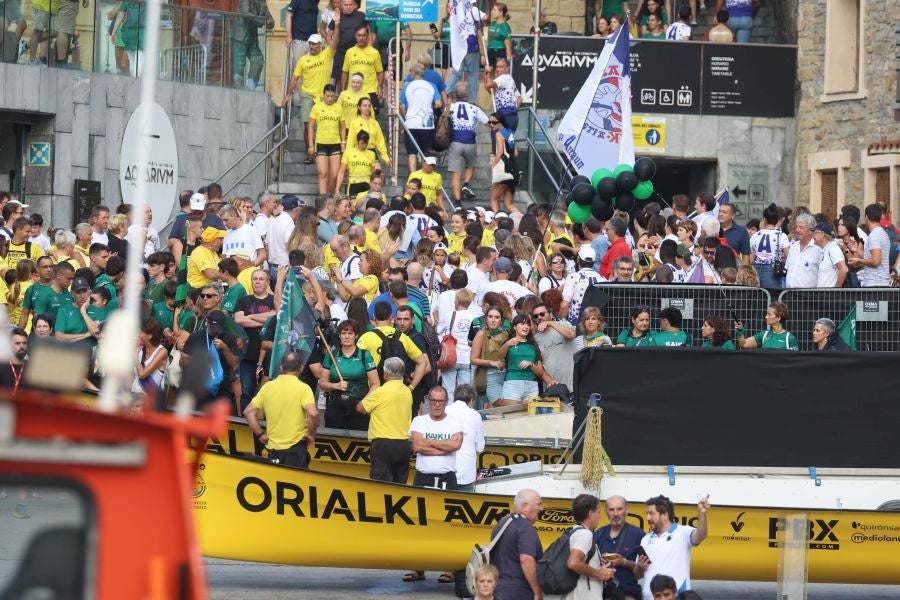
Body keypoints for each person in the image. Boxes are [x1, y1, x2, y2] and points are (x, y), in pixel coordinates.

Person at [244, 352, 319, 468]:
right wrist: (310, 433)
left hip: (273, 449)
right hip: (296, 448)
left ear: (281, 368)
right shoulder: (304, 388)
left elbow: (248, 412)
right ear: (301, 368)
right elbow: (313, 414)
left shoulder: (267, 387)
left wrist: (260, 434)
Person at [637, 495, 710, 600]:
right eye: (647, 513)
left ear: (665, 515)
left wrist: (702, 514)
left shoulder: (683, 532)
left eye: (651, 513)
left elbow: (701, 535)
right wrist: (640, 567)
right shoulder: (645, 539)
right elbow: (638, 574)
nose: (648, 518)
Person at [357, 356, 413, 482]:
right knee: (400, 485)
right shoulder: (407, 392)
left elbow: (360, 408)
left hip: (383, 444)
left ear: (386, 374)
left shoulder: (380, 392)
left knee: (381, 485)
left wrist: (372, 391)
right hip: (404, 444)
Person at [320, 319, 380, 429]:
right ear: (339, 336)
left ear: (356, 336)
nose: (347, 337)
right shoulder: (331, 355)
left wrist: (364, 403)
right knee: (334, 437)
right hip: (335, 407)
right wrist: (335, 385)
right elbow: (322, 383)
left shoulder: (364, 355)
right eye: (343, 333)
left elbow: (375, 384)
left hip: (359, 405)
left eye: (350, 333)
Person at [234, 269, 276, 412]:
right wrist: (267, 321)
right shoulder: (243, 300)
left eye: (261, 279)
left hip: (270, 356)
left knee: (267, 395)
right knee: (247, 392)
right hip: (248, 354)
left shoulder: (274, 300)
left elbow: (276, 315)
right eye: (255, 279)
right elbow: (239, 320)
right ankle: (246, 421)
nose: (257, 282)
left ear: (267, 282)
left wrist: (251, 316)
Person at [560, 494, 617, 600]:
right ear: (591, 514)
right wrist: (599, 573)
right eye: (598, 512)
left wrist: (597, 564)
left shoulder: (572, 531)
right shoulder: (585, 534)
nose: (600, 516)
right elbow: (573, 562)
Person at [490, 488, 544, 600]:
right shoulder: (526, 527)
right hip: (518, 593)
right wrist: (537, 591)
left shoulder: (502, 522)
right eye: (538, 504)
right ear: (525, 507)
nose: (541, 508)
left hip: (497, 590)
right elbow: (526, 559)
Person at [497, 314, 557, 405]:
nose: (526, 327)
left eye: (528, 324)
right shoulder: (508, 342)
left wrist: (531, 364)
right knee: (512, 413)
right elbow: (500, 357)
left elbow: (540, 372)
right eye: (522, 324)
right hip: (513, 384)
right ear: (514, 327)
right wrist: (507, 344)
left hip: (532, 385)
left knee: (530, 414)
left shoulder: (533, 345)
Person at [594, 495, 645, 600]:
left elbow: (644, 570)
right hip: (601, 595)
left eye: (619, 509)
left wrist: (624, 562)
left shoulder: (638, 534)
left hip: (628, 594)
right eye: (611, 510)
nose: (615, 513)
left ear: (627, 510)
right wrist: (599, 563)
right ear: (606, 512)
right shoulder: (598, 534)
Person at [447, 85, 489, 206]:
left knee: (456, 174)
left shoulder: (450, 107)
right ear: (467, 95)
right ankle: (466, 184)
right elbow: (488, 123)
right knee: (470, 166)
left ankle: (457, 203)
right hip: (470, 142)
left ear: (455, 95)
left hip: (455, 142)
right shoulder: (474, 108)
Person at [400, 64, 442, 175]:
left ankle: (413, 176)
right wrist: (430, 109)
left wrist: (406, 117)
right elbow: (439, 103)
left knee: (412, 152)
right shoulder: (431, 86)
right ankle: (423, 175)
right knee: (424, 152)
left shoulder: (407, 86)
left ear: (413, 73)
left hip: (411, 123)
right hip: (427, 125)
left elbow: (402, 106)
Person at [437, 288, 478, 402]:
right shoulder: (475, 318)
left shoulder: (449, 316)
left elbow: (438, 333)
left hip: (451, 357)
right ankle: (463, 410)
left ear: (457, 301)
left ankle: (449, 411)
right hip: (468, 359)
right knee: (464, 392)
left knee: (448, 390)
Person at [445, 383, 485, 492]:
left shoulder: (444, 411)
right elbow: (480, 447)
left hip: (444, 470)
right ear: (471, 400)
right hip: (466, 472)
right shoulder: (475, 415)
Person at [531, 301, 577, 390]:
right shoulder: (536, 339)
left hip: (573, 384)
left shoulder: (564, 324)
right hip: (553, 387)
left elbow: (572, 334)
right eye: (536, 316)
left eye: (542, 314)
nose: (539, 317)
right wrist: (548, 380)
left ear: (550, 314)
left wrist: (550, 323)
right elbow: (537, 365)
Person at [849, 203, 891, 287]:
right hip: (879, 282)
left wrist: (859, 260)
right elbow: (874, 257)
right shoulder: (883, 234)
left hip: (875, 284)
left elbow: (876, 261)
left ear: (866, 217)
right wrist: (857, 250)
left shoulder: (874, 235)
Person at [749, 203, 790, 289]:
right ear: (777, 220)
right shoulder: (781, 235)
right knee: (772, 295)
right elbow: (788, 257)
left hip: (756, 270)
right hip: (773, 270)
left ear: (765, 219)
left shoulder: (755, 235)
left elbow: (751, 260)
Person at [560, 247, 604, 326]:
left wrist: (561, 323)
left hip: (576, 324)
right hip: (596, 324)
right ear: (593, 262)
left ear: (578, 260)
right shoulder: (602, 279)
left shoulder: (572, 277)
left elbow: (564, 305)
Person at [488, 112, 518, 214]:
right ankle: (522, 220)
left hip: (504, 171)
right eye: (490, 122)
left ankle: (498, 220)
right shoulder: (510, 133)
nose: (491, 124)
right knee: (509, 203)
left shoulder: (498, 133)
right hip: (514, 171)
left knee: (494, 199)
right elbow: (516, 153)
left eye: (494, 122)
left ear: (501, 122)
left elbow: (500, 152)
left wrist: (493, 164)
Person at [336, 130, 377, 197]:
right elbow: (341, 171)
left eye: (366, 143)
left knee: (367, 202)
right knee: (353, 202)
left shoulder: (372, 154)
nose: (364, 146)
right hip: (353, 184)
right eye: (362, 143)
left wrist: (374, 188)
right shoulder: (348, 152)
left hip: (367, 184)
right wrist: (337, 188)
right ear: (357, 141)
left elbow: (373, 173)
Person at [785, 213, 821, 288]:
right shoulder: (793, 246)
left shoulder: (818, 248)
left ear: (810, 231)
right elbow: (788, 269)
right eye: (796, 227)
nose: (797, 230)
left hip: (808, 294)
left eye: (801, 227)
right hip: (789, 292)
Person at [812, 222, 848, 288]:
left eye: (815, 232)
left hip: (830, 293)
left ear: (822, 234)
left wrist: (835, 290)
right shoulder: (826, 248)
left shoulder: (833, 248)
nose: (812, 235)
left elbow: (844, 269)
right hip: (824, 293)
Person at [0, 328, 29, 395]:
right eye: (17, 343)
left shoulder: (31, 368)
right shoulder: (2, 367)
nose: (22, 346)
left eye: (24, 343)